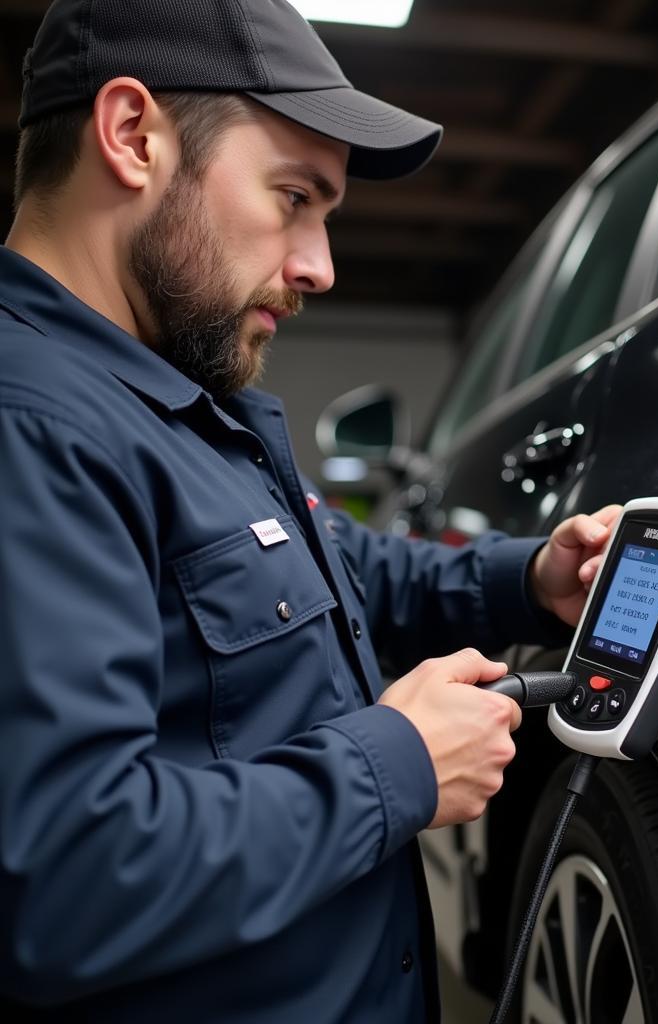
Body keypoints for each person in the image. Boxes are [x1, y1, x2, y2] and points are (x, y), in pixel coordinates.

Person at [0, 2, 622, 1020]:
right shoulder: (36, 429)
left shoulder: (176, 403)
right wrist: (396, 764)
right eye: (293, 196)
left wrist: (527, 575)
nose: (318, 265)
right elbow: (63, 878)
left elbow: (334, 566)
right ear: (130, 136)